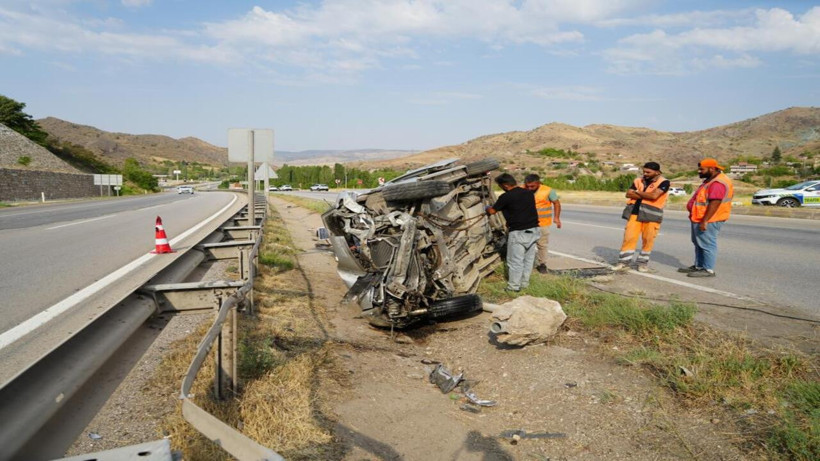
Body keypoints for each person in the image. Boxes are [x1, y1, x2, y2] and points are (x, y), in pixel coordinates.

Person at [678, 158, 734, 277]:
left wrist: (705, 220)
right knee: (699, 243)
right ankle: (699, 266)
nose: (699, 171)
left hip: (710, 219)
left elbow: (715, 202)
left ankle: (708, 269)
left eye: (701, 169)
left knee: (707, 244)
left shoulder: (718, 183)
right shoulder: (710, 180)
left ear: (712, 169)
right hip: (699, 217)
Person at [486, 173, 540, 292]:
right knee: (528, 260)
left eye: (500, 186)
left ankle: (513, 287)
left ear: (505, 185)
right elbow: (520, 209)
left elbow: (492, 211)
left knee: (515, 262)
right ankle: (524, 284)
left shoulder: (506, 197)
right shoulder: (528, 193)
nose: (501, 188)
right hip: (534, 230)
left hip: (519, 233)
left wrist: (486, 208)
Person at [613, 162, 670, 272]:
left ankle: (642, 264)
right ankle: (623, 263)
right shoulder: (638, 180)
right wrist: (645, 194)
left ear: (657, 172)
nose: (645, 174)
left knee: (648, 240)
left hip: (652, 215)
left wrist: (637, 192)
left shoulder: (664, 182)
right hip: (634, 213)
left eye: (648, 172)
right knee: (629, 238)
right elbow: (628, 194)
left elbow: (654, 196)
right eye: (644, 171)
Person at [523, 174, 562, 274]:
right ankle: (526, 263)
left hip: (543, 224)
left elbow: (556, 203)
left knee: (542, 245)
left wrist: (556, 218)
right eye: (527, 186)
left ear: (538, 183)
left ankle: (542, 264)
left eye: (532, 186)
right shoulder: (521, 189)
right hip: (526, 223)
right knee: (525, 244)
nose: (529, 188)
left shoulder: (548, 191)